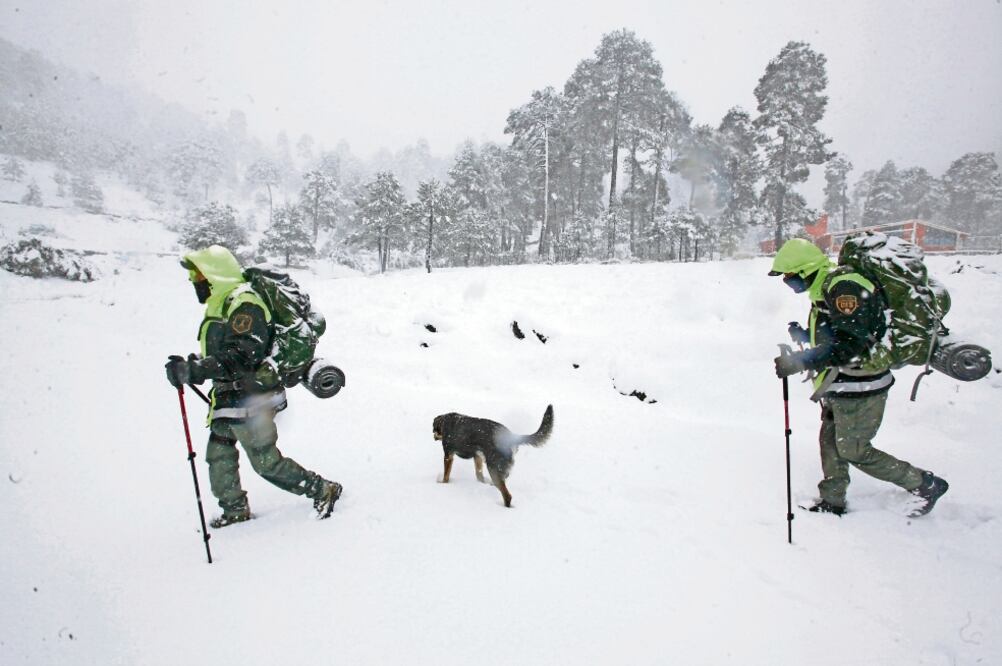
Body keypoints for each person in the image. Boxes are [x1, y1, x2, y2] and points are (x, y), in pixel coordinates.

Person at [769, 238, 948, 517]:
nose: (788, 284)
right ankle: (833, 500)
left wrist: (800, 361)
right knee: (830, 442)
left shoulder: (845, 287)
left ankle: (924, 484)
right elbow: (838, 334)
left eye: (790, 278)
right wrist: (805, 337)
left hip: (862, 384)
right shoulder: (825, 288)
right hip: (841, 381)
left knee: (854, 450)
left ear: (806, 270)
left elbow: (850, 345)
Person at [165, 245, 341, 527]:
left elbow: (244, 355)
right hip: (229, 398)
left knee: (265, 461)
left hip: (252, 397)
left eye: (198, 276)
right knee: (219, 455)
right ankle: (234, 510)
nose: (194, 282)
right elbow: (224, 349)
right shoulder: (222, 302)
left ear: (214, 274)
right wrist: (192, 364)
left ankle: (323, 489)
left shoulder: (245, 303)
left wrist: (196, 370)